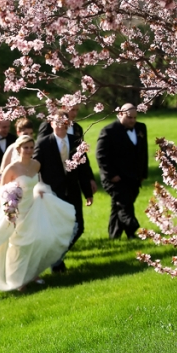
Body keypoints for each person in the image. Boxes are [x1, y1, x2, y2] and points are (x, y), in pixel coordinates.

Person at [0, 135, 76, 291]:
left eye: (31, 147)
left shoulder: (36, 164)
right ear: (19, 149)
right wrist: (10, 206)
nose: (29, 150)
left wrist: (40, 191)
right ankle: (17, 281)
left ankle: (31, 273)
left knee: (36, 240)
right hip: (16, 210)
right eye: (25, 147)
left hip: (33, 208)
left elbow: (37, 183)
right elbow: (2, 190)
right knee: (18, 245)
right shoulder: (12, 168)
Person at [34, 110, 94, 273]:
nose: (60, 125)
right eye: (56, 122)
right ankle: (57, 263)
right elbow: (35, 167)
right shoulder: (43, 143)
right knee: (58, 228)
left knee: (78, 227)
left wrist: (88, 192)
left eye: (64, 122)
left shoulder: (76, 141)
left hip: (73, 190)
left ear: (68, 124)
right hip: (53, 193)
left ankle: (56, 257)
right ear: (51, 124)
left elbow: (83, 167)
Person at [96, 103, 149, 239]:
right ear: (120, 114)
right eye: (129, 117)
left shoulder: (141, 128)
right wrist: (111, 175)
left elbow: (144, 152)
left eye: (135, 118)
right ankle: (133, 229)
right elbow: (101, 156)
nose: (132, 120)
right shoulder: (108, 131)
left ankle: (114, 236)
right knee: (125, 205)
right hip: (115, 178)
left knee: (119, 205)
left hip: (134, 176)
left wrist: (143, 173)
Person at [38, 106, 97, 195]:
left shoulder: (77, 130)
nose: (75, 114)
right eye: (72, 110)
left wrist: (89, 180)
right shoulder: (46, 131)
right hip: (51, 187)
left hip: (72, 187)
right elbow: (39, 157)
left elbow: (82, 161)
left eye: (77, 110)